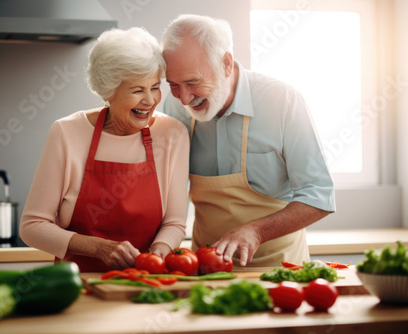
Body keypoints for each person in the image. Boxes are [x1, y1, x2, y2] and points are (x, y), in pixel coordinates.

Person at [161, 14, 336, 267]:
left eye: (193, 83)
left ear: (226, 64)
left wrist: (256, 231)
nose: (185, 99)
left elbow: (319, 195)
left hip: (279, 270)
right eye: (173, 85)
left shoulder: (282, 100)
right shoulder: (174, 107)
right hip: (206, 268)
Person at [20, 27, 190, 272]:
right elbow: (32, 226)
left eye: (154, 87)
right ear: (108, 92)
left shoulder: (173, 134)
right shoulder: (66, 133)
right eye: (137, 90)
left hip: (147, 280)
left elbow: (174, 223)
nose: (150, 100)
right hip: (77, 284)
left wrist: (156, 255)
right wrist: (98, 247)